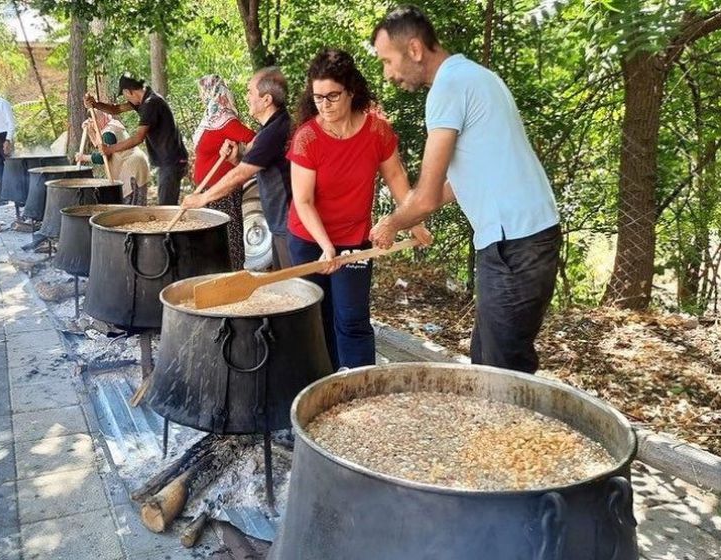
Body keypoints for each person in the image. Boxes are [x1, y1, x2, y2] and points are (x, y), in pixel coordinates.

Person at [369, 5, 561, 373]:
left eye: (388, 61)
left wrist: (393, 223)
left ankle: (513, 433)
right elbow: (458, 182)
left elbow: (425, 197)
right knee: (485, 363)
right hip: (522, 238)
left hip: (515, 244)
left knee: (503, 374)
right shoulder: (475, 76)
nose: (387, 74)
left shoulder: (449, 87)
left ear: (414, 49)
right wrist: (410, 217)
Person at [286, 49, 431, 369]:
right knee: (317, 316)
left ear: (351, 90)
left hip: (353, 239)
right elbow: (304, 201)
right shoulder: (306, 138)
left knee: (352, 318)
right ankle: (322, 387)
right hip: (309, 240)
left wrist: (413, 220)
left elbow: (395, 176)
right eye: (318, 98)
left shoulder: (377, 131)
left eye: (332, 96)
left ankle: (359, 386)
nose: (324, 106)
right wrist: (325, 247)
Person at [183, 66, 295, 270]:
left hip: (288, 222)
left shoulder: (274, 131)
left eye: (250, 92)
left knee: (295, 288)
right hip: (279, 221)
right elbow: (258, 165)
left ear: (267, 100)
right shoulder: (269, 129)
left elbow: (242, 173)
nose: (245, 97)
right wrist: (237, 158)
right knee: (285, 281)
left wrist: (202, 198)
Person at [83, 74, 188, 205]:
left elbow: (138, 138)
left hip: (172, 161)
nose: (126, 98)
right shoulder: (144, 100)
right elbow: (115, 109)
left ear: (129, 91)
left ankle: (172, 224)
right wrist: (96, 104)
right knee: (166, 205)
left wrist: (110, 149)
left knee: (166, 207)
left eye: (125, 95)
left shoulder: (151, 104)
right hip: (168, 160)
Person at [190, 75, 255, 270]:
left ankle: (233, 277)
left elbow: (255, 139)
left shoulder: (226, 120)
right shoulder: (212, 117)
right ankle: (215, 276)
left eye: (204, 92)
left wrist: (241, 158)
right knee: (210, 238)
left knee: (228, 237)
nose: (202, 96)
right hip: (206, 189)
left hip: (222, 190)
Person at [74, 111, 151, 205]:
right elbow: (100, 145)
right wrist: (90, 131)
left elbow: (104, 157)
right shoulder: (112, 124)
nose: (94, 124)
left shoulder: (108, 133)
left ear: (100, 119)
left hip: (131, 167)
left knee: (131, 204)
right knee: (138, 202)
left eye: (95, 121)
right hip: (137, 162)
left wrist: (84, 157)